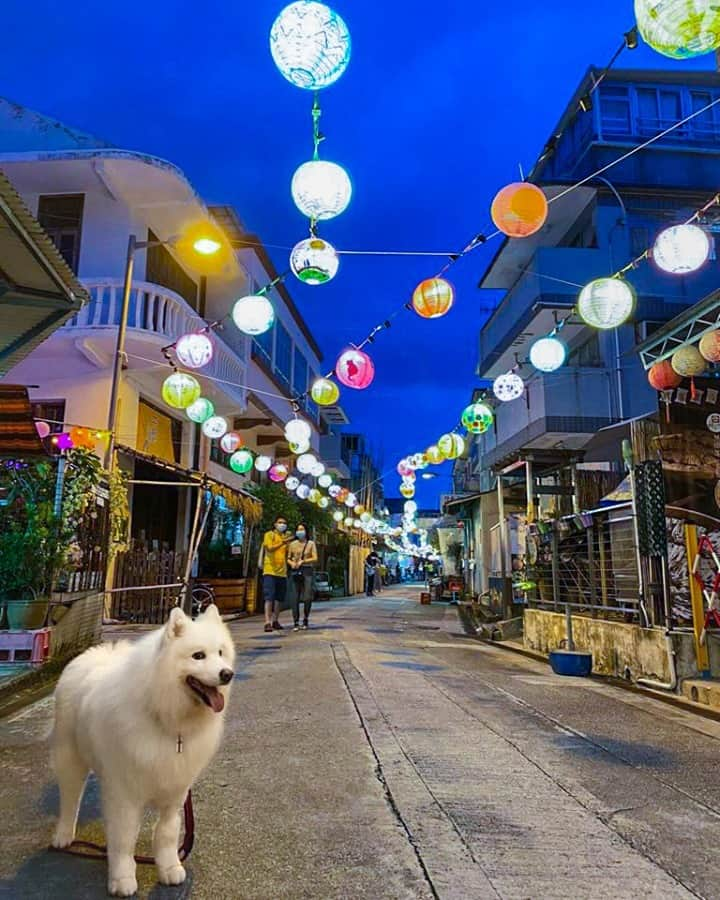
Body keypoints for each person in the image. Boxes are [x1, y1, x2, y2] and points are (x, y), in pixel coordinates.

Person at [261, 516, 293, 633]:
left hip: (282, 572)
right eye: (280, 522)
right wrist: (283, 542)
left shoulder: (285, 538)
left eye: (284, 523)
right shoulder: (269, 535)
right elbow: (269, 548)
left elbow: (289, 553)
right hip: (269, 570)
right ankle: (267, 622)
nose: (282, 525)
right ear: (275, 524)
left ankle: (275, 620)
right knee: (269, 597)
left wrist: (289, 543)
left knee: (279, 598)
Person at [288, 522, 318, 631]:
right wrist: (291, 563)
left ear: (306, 531)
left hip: (307, 571)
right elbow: (288, 557)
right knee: (294, 597)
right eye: (298, 529)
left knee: (307, 597)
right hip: (295, 571)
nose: (300, 531)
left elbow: (315, 558)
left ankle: (306, 618)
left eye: (302, 529)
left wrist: (303, 561)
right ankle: (295, 621)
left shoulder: (311, 544)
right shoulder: (292, 544)